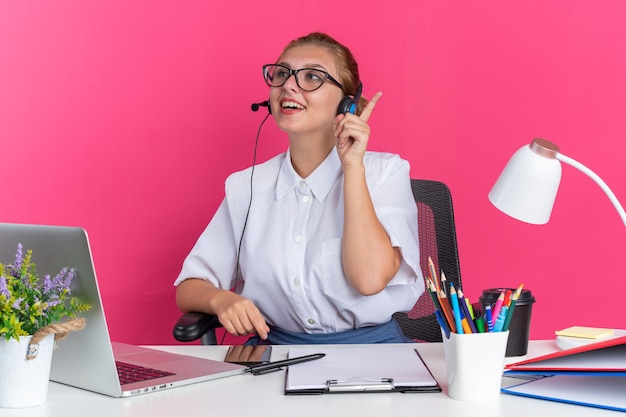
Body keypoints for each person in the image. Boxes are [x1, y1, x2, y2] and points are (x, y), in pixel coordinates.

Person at [174, 32, 423, 344]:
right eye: (282, 74)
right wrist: (221, 301)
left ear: (346, 101)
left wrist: (352, 167)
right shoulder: (247, 185)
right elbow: (190, 287)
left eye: (311, 77)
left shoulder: (384, 172)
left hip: (372, 355)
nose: (288, 86)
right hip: (276, 353)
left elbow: (369, 279)